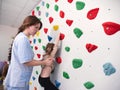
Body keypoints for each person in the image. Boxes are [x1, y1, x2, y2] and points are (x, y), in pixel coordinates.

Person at [4, 15, 54, 90]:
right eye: (36, 27)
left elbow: (26, 59)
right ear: (28, 25)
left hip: (18, 81)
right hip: (18, 82)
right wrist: (44, 62)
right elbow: (26, 62)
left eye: (38, 29)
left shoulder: (21, 38)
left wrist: (41, 61)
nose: (37, 30)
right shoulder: (23, 39)